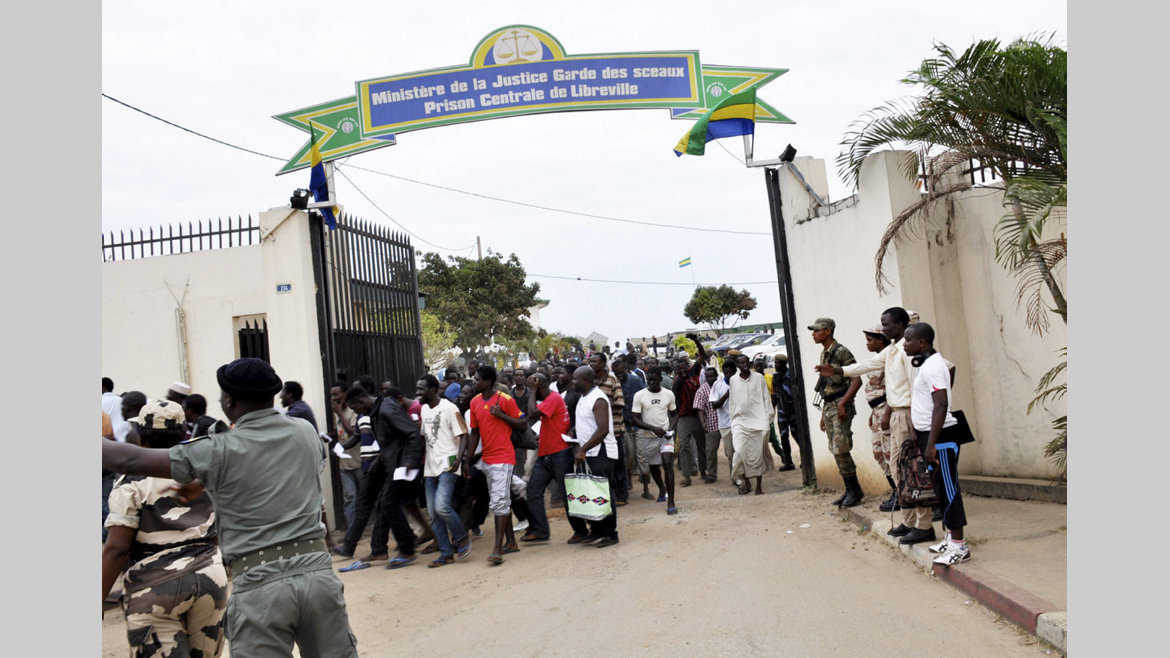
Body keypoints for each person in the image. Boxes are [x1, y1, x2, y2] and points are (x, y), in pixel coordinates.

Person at [101, 357, 359, 657]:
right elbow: (268, 470)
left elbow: (128, 460)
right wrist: (208, 480)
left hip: (261, 585)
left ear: (229, 399)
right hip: (318, 576)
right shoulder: (304, 432)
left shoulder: (217, 450)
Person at [102, 399, 229, 657]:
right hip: (210, 576)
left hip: (156, 585)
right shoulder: (202, 472)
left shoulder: (131, 483)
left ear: (141, 438)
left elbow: (116, 548)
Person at [814, 308, 924, 528]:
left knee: (908, 466)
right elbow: (866, 366)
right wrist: (837, 370)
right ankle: (908, 519)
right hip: (893, 411)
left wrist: (912, 417)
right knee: (895, 466)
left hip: (905, 411)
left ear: (901, 325)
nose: (883, 329)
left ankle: (922, 521)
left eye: (886, 325)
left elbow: (916, 386)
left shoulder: (909, 351)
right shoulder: (893, 349)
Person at [902, 322, 970, 559]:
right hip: (928, 434)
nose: (904, 343)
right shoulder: (925, 364)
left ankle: (959, 546)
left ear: (922, 342)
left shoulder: (933, 366)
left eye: (908, 339)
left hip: (941, 437)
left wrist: (931, 443)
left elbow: (941, 405)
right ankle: (950, 538)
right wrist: (916, 431)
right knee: (940, 487)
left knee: (949, 490)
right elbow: (925, 403)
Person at [344, 384, 426, 569]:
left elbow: (412, 433)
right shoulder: (377, 411)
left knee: (388, 503)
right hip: (395, 466)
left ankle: (407, 549)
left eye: (354, 407)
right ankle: (402, 546)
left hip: (403, 465)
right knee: (388, 503)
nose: (356, 412)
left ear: (361, 400)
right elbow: (390, 441)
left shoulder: (387, 408)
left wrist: (409, 462)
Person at [466, 365, 527, 565]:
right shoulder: (474, 402)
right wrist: (467, 460)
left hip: (503, 458)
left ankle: (497, 549)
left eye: (477, 379)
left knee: (499, 503)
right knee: (501, 501)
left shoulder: (505, 399)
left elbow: (523, 423)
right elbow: (474, 433)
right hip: (486, 460)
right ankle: (511, 542)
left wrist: (501, 415)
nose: (474, 382)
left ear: (488, 382)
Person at [416, 374, 473, 567]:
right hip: (430, 468)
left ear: (432, 390)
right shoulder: (424, 410)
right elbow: (427, 436)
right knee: (433, 514)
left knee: (442, 506)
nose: (417, 393)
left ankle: (461, 537)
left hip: (448, 464)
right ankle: (446, 553)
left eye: (421, 389)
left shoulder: (450, 408)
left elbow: (464, 434)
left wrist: (460, 459)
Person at [808, 318, 864, 507]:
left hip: (841, 405)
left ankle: (855, 490)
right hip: (830, 405)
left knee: (841, 448)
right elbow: (826, 387)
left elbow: (856, 379)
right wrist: (824, 413)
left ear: (828, 331)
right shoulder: (825, 354)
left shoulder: (841, 352)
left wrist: (843, 404)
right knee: (835, 449)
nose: (813, 334)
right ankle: (850, 489)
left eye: (817, 330)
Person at [521, 372, 576, 542]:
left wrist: (532, 390)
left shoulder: (553, 398)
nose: (532, 391)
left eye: (533, 386)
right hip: (546, 454)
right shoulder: (550, 399)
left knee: (567, 494)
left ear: (540, 386)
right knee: (533, 491)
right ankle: (540, 531)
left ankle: (580, 530)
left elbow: (532, 412)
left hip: (559, 454)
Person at [570, 365, 620, 547]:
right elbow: (589, 423)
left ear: (585, 380)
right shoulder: (584, 398)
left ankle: (611, 533)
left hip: (601, 452)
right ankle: (597, 530)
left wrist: (583, 449)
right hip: (589, 452)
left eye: (575, 379)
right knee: (591, 493)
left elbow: (603, 429)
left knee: (603, 493)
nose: (572, 381)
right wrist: (576, 430)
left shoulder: (598, 398)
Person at [630, 367, 679, 513]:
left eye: (654, 379)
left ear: (660, 379)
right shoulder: (639, 395)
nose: (651, 382)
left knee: (668, 464)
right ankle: (662, 488)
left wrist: (670, 428)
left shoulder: (668, 394)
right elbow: (634, 418)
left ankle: (671, 502)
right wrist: (652, 428)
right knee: (654, 468)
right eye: (649, 380)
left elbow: (675, 414)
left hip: (665, 436)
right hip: (648, 437)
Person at [729, 354, 774, 495]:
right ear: (737, 365)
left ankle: (759, 486)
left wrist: (768, 417)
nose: (745, 365)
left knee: (757, 454)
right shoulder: (733, 380)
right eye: (741, 363)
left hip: (758, 421)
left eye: (746, 362)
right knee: (740, 452)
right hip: (740, 421)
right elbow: (732, 402)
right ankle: (746, 481)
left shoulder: (758, 378)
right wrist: (733, 420)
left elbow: (766, 398)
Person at [671, 333, 711, 486]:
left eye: (683, 367)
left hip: (698, 414)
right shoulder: (676, 383)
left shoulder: (693, 372)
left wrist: (696, 340)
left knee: (701, 445)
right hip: (684, 417)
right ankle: (687, 476)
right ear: (675, 369)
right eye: (679, 368)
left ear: (688, 367)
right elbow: (674, 400)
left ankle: (703, 472)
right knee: (684, 447)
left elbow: (702, 354)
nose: (682, 370)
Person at [587, 352, 628, 504]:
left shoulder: (612, 379)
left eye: (594, 361)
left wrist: (601, 407)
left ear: (603, 364)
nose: (591, 364)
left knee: (618, 464)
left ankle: (622, 495)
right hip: (596, 431)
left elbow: (620, 402)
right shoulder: (589, 381)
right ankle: (607, 494)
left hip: (614, 429)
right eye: (590, 361)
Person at [330, 381, 365, 528]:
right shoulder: (336, 412)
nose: (333, 398)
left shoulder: (353, 411)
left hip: (359, 461)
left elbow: (354, 434)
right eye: (331, 395)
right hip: (345, 464)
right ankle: (352, 530)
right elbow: (340, 433)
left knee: (365, 497)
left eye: (336, 394)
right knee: (350, 498)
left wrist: (339, 413)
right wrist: (329, 436)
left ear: (345, 394)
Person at [710, 359, 738, 487]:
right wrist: (727, 394)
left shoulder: (741, 383)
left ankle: (739, 476)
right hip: (725, 424)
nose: (728, 375)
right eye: (726, 373)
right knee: (730, 453)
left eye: (731, 373)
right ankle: (734, 475)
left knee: (741, 451)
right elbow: (715, 405)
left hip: (739, 423)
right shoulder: (717, 385)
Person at [693, 366, 721, 483]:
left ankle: (736, 475)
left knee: (732, 450)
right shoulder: (702, 390)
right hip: (712, 424)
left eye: (712, 376)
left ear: (716, 376)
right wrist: (703, 423)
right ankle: (712, 474)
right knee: (710, 452)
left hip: (726, 423)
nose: (710, 379)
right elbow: (700, 409)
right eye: (708, 377)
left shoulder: (722, 386)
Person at [771, 354, 798, 471]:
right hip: (782, 411)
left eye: (777, 363)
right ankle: (789, 462)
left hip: (793, 411)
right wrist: (772, 408)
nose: (775, 365)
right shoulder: (775, 377)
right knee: (783, 436)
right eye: (775, 362)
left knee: (796, 435)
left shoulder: (791, 375)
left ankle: (806, 458)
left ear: (783, 364)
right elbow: (775, 395)